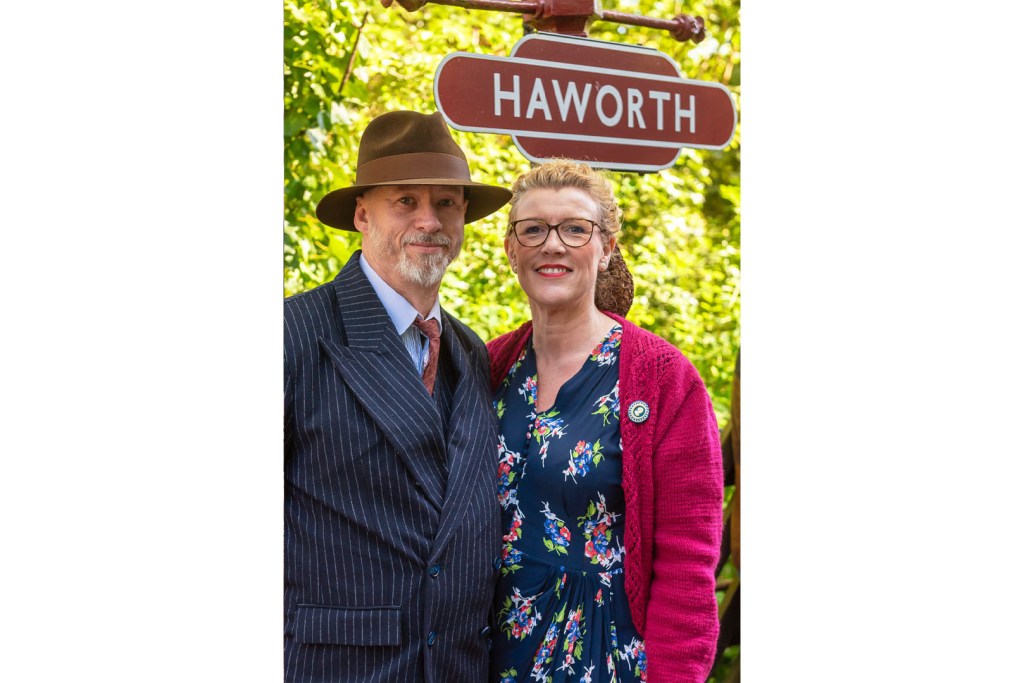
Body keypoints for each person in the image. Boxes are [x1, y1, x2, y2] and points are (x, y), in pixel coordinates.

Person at [284, 110, 513, 683]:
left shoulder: (470, 351)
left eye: (447, 202)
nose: (429, 220)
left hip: (458, 667)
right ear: (363, 214)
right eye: (405, 201)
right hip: (336, 668)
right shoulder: (291, 333)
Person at [486, 160, 724, 682]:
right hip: (488, 655)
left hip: (603, 658)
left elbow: (688, 562)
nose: (553, 245)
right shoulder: (490, 365)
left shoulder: (662, 379)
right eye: (533, 229)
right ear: (511, 250)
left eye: (575, 229)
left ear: (607, 247)